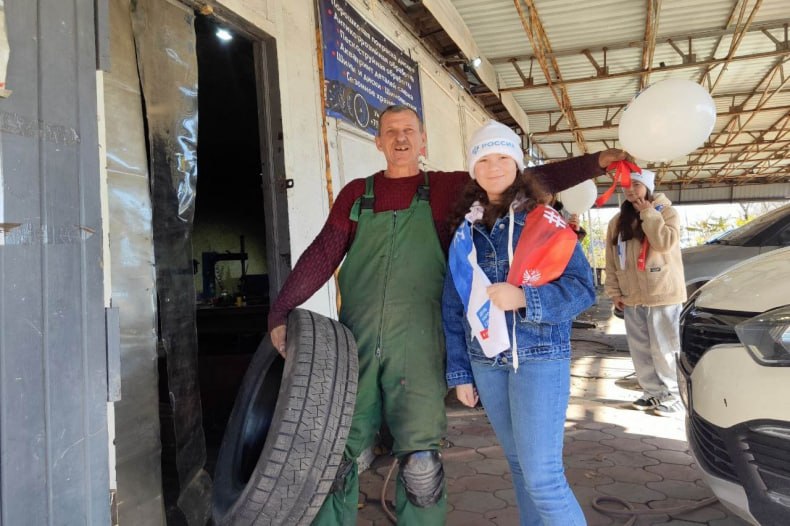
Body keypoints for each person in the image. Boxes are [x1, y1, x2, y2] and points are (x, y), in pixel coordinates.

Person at [268, 106, 624, 525]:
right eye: (390, 132)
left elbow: (521, 176)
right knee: (340, 453)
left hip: (421, 342)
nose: (400, 139)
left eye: (409, 131)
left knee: (421, 462)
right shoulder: (356, 194)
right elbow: (323, 252)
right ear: (378, 142)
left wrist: (595, 162)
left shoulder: (447, 189)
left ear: (423, 142)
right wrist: (281, 311)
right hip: (357, 342)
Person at [443, 120, 596, 526]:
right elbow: (452, 304)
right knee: (518, 466)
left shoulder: (544, 220)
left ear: (517, 163)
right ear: (473, 168)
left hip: (538, 357)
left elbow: (584, 288)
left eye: (502, 157)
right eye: (484, 159)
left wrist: (527, 299)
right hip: (485, 359)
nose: (493, 167)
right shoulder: (466, 230)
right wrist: (460, 371)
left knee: (544, 477)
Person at [603, 169, 686, 417]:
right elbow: (611, 260)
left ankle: (673, 396)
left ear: (648, 187)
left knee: (665, 348)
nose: (630, 190)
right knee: (641, 349)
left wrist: (647, 213)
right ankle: (652, 393)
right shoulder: (617, 222)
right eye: (626, 185)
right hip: (632, 297)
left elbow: (664, 243)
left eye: (636, 185)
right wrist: (614, 291)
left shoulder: (666, 212)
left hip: (662, 294)